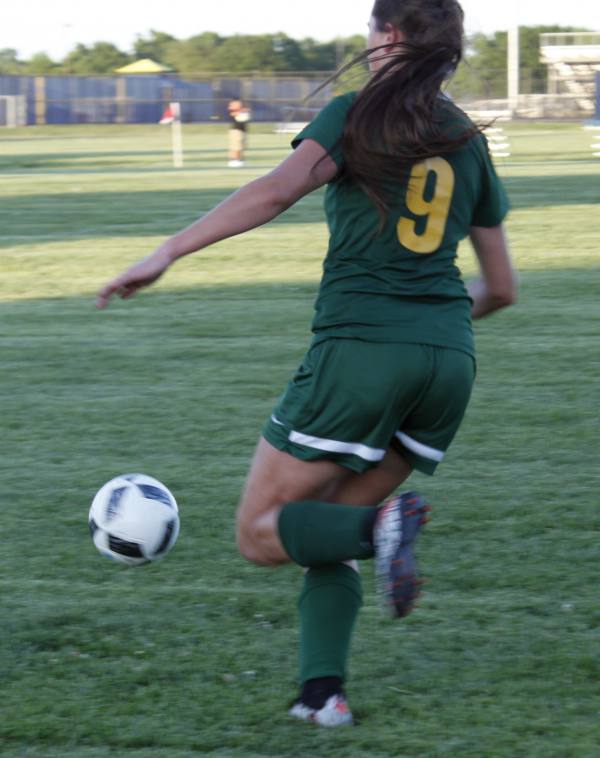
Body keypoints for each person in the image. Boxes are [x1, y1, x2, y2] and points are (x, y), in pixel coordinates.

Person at [97, 0, 517, 728]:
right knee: (323, 524)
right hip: (448, 366)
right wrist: (432, 330)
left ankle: (381, 534)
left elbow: (276, 188)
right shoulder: (467, 140)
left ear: (388, 37)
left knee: (262, 531)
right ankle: (322, 696)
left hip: (360, 356)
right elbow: (502, 288)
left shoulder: (358, 115)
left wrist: (166, 251)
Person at [227, 99, 250, 167]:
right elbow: (234, 114)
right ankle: (233, 160)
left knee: (241, 147)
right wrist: (241, 111)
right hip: (236, 131)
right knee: (236, 147)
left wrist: (243, 111)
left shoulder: (243, 111)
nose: (239, 104)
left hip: (242, 131)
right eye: (237, 103)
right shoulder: (232, 111)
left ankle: (240, 160)